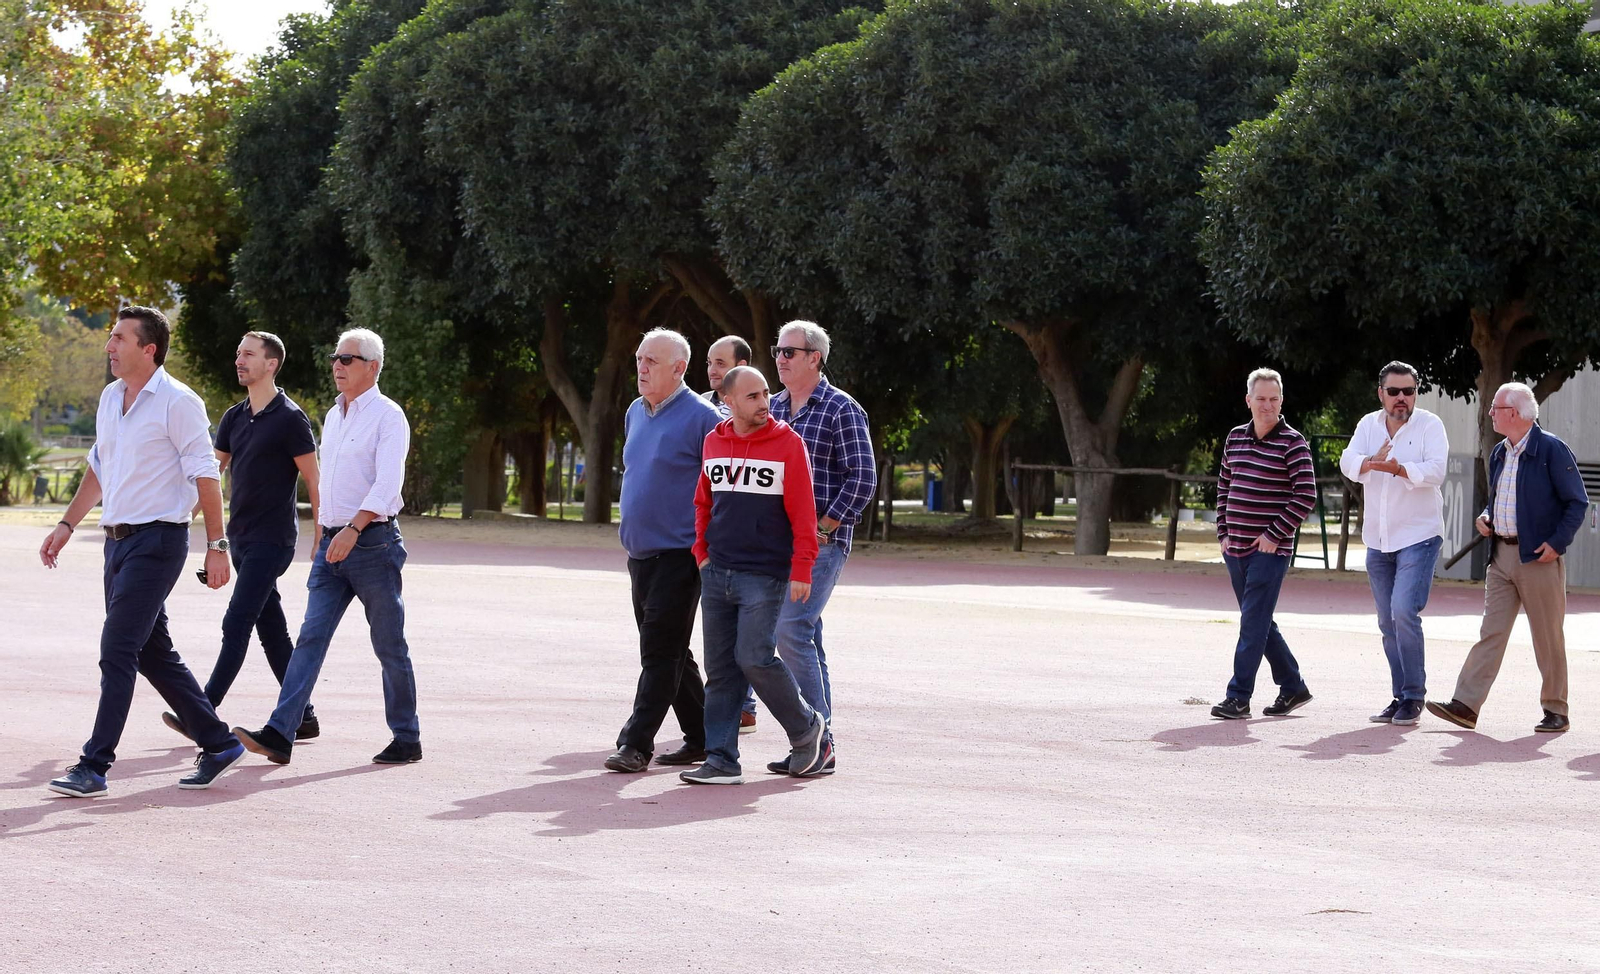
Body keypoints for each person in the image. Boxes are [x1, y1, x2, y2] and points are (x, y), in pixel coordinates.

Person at [37, 306, 246, 797]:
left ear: (148, 349)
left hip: (159, 541)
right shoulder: (111, 398)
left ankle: (95, 764)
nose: (109, 345)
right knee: (152, 652)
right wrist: (68, 523)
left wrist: (218, 546)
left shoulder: (179, 402)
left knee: (117, 648)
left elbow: (206, 475)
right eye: (110, 337)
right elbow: (98, 468)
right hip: (117, 544)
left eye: (118, 338)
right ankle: (218, 742)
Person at [233, 328, 421, 766]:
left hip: (372, 544)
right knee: (310, 639)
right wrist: (324, 531)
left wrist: (353, 530)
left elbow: (387, 485)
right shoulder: (334, 416)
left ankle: (407, 737)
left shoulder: (389, 416)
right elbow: (328, 483)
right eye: (335, 358)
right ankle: (281, 732)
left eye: (348, 359)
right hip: (333, 545)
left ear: (372, 367)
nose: (337, 365)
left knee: (389, 644)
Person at [160, 332, 322, 742]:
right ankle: (303, 715)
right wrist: (182, 516)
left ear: (271, 364)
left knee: (236, 623)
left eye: (248, 354)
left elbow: (314, 480)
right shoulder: (233, 417)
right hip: (242, 540)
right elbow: (210, 475)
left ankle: (202, 711)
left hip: (274, 541)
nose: (239, 360)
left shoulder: (291, 418)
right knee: (271, 630)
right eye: (238, 353)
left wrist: (322, 534)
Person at [681, 366, 830, 784]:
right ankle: (722, 760)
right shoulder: (714, 441)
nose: (764, 403)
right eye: (752, 396)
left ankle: (807, 729)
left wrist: (802, 567)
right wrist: (701, 552)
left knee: (754, 658)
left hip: (765, 575)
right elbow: (703, 503)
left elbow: (803, 513)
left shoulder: (789, 444)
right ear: (728, 400)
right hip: (716, 573)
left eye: (766, 394)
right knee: (721, 669)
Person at [1427, 382, 1589, 733]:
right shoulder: (1501, 451)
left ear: (1513, 413)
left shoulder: (1552, 450)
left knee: (1547, 636)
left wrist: (1558, 543)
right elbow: (1500, 498)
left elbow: (1577, 502)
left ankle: (1555, 709)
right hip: (1501, 556)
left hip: (1539, 559)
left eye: (1495, 408)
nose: (1490, 413)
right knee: (1491, 632)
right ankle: (1466, 705)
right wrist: (1488, 516)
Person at [605, 329, 721, 773]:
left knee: (658, 652)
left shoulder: (703, 418)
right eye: (639, 358)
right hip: (640, 555)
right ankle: (704, 736)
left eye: (652, 360)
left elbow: (719, 488)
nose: (641, 366)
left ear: (679, 369)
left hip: (680, 555)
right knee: (672, 651)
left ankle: (636, 744)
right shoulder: (636, 411)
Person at [767, 320, 875, 773]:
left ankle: (813, 739)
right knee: (803, 635)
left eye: (789, 352)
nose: (780, 359)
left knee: (791, 631)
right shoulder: (770, 408)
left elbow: (863, 477)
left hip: (820, 545)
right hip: (771, 545)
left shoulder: (841, 409)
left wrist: (825, 526)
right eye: (777, 351)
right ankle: (817, 742)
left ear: (815, 357)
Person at [1338, 362, 1447, 726]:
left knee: (1403, 611)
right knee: (1387, 621)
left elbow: (1436, 470)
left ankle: (1415, 695)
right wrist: (1371, 462)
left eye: (1409, 391)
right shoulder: (1367, 425)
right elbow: (1347, 460)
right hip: (1378, 539)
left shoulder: (1430, 425)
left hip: (1420, 535)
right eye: (1395, 391)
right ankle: (1399, 695)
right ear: (1380, 393)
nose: (1403, 398)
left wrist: (1400, 469)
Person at [1210, 368, 1316, 721]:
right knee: (1259, 621)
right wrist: (1222, 532)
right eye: (1261, 399)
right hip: (1234, 549)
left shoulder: (1293, 442)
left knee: (1252, 624)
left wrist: (1274, 535)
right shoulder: (1234, 438)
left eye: (1274, 399)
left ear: (1281, 401)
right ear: (1248, 401)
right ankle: (1293, 685)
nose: (1267, 406)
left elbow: (1305, 495)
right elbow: (1224, 487)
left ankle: (1238, 696)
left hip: (1270, 553)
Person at [701, 334, 761, 735]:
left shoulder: (757, 414)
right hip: (712, 540)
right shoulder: (703, 410)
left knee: (751, 642)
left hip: (751, 549)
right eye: (708, 362)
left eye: (720, 363)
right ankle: (721, 723)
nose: (712, 370)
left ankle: (746, 706)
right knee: (717, 641)